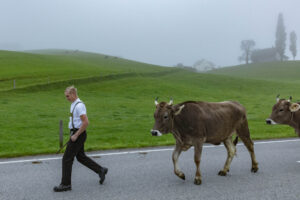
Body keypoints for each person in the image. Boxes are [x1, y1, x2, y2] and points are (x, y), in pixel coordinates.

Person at [54, 86, 108, 192]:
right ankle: (101, 170)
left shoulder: (79, 106)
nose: (67, 98)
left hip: (79, 134)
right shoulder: (73, 105)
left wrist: (76, 135)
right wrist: (72, 133)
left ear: (73, 94)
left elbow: (86, 122)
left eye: (68, 96)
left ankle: (66, 184)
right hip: (75, 133)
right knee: (81, 157)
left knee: (67, 159)